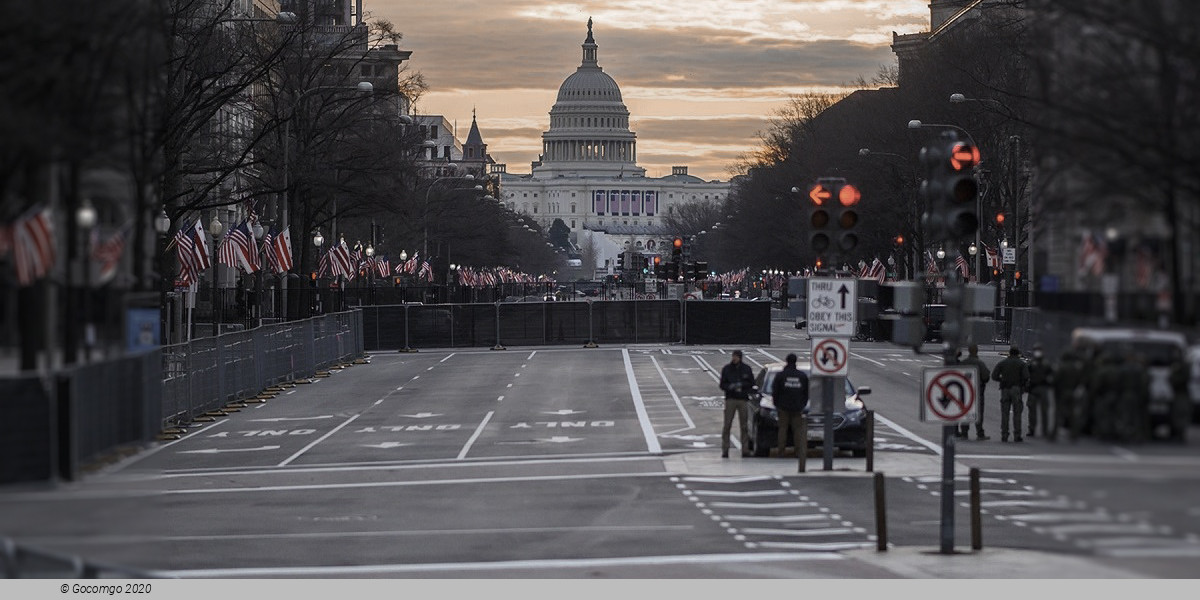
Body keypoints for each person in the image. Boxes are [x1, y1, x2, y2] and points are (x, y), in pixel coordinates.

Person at [719, 350, 756, 458]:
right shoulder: (727, 369)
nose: (734, 358)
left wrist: (742, 385)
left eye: (736, 357)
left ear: (740, 357)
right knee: (727, 425)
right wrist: (730, 387)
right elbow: (722, 384)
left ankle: (745, 450)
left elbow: (751, 383)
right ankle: (725, 449)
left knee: (744, 426)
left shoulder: (746, 369)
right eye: (733, 356)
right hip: (730, 399)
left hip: (742, 399)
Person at [771, 353, 810, 458]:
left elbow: (775, 391)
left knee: (782, 429)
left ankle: (781, 452)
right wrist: (802, 404)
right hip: (797, 407)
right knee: (797, 430)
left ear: (786, 361)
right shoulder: (802, 376)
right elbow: (806, 392)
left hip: (783, 406)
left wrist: (776, 404)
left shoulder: (781, 375)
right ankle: (798, 452)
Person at [993, 346, 1030, 442]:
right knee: (1017, 413)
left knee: (1005, 413)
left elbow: (994, 376)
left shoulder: (1002, 363)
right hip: (1016, 389)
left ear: (1009, 353)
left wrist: (1002, 380)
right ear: (1018, 353)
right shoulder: (1022, 364)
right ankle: (1017, 435)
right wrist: (1023, 385)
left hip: (1005, 389)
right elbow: (1026, 376)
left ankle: (1004, 434)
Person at [957, 344, 992, 440]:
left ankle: (964, 432)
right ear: (976, 351)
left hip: (965, 391)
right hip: (978, 390)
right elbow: (985, 376)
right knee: (979, 412)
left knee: (965, 411)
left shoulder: (963, 363)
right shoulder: (980, 363)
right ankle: (980, 432)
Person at [1051, 347, 1086, 442]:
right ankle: (1074, 434)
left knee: (1058, 414)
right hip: (1072, 392)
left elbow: (1056, 380)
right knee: (1072, 414)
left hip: (1062, 393)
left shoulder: (1061, 367)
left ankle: (1054, 433)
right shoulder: (1075, 368)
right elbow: (1080, 380)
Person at [1026, 343, 1055, 438]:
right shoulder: (1031, 363)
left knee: (1044, 410)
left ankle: (1044, 430)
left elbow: (1052, 374)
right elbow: (1026, 375)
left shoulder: (1046, 363)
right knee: (1032, 411)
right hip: (1033, 388)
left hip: (1042, 388)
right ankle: (1032, 429)